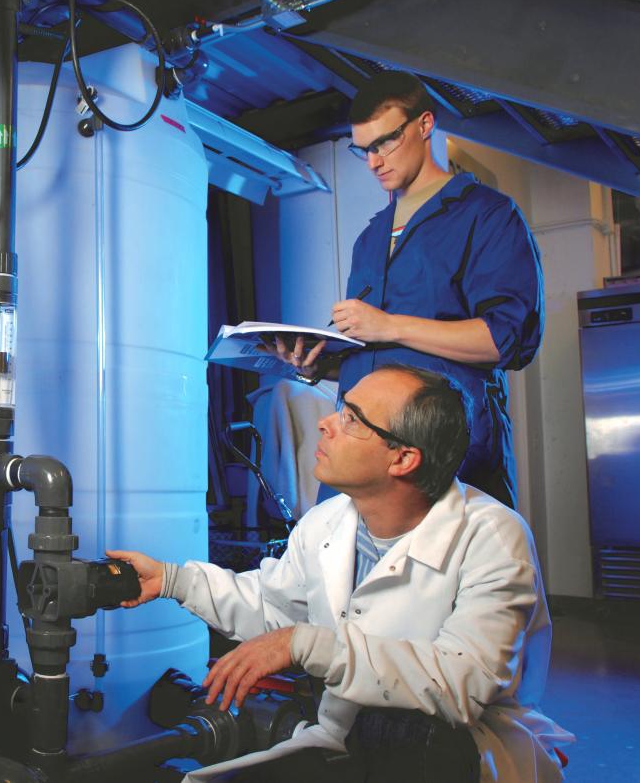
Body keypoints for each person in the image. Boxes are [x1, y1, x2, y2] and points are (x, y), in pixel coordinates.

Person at [109, 365, 571, 782]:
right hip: (346, 736)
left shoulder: (492, 536)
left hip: (453, 753)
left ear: (402, 458)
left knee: (412, 734)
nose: (325, 424)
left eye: (352, 418)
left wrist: (307, 644)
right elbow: (273, 607)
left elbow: (462, 682)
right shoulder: (329, 520)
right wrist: (173, 580)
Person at [276, 71, 543, 508]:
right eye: (363, 150)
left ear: (424, 124)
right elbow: (377, 355)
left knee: (447, 571)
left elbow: (505, 340)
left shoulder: (487, 215)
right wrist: (313, 366)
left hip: (441, 453)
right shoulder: (371, 238)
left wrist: (388, 325)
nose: (374, 162)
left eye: (385, 142)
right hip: (363, 456)